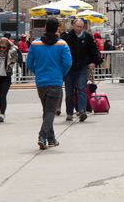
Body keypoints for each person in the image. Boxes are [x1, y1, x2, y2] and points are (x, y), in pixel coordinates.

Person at [26, 17, 71, 149]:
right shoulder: (62, 44)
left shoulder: (35, 44)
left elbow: (29, 63)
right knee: (50, 111)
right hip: (55, 81)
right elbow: (68, 63)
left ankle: (51, 139)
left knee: (47, 111)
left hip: (41, 82)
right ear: (57, 28)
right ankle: (42, 135)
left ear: (45, 27)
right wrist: (60, 73)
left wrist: (38, 71)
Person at [61, 18, 101, 122]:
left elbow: (94, 51)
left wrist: (94, 61)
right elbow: (60, 52)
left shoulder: (87, 37)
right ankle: (69, 113)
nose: (79, 29)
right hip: (69, 68)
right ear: (73, 26)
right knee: (69, 91)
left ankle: (82, 111)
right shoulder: (66, 37)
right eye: (77, 26)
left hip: (82, 67)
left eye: (81, 27)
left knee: (81, 89)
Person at [0, 37, 19, 122]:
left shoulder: (11, 52)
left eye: (4, 47)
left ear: (7, 47)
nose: (2, 49)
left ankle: (2, 113)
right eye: (0, 47)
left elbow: (16, 48)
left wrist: (10, 43)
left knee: (2, 96)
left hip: (6, 77)